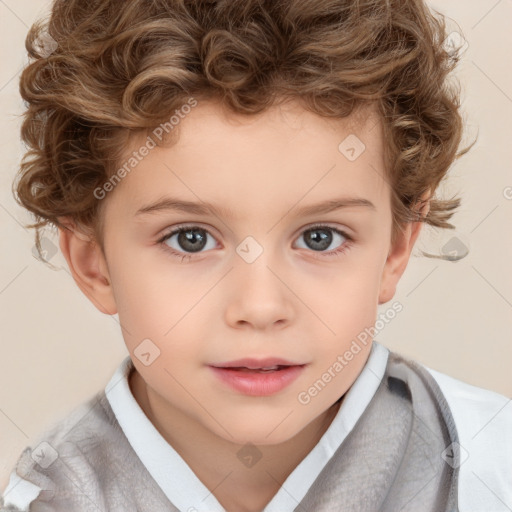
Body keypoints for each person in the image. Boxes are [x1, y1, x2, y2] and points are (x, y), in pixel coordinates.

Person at [2, 0, 510, 511]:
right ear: (95, 263)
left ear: (397, 247)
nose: (261, 306)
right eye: (190, 239)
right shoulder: (48, 498)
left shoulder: (492, 466)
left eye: (320, 238)